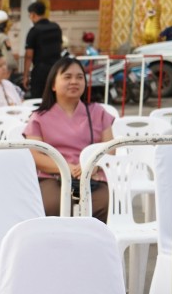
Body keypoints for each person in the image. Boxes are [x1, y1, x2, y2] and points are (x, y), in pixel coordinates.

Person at [22, 56, 114, 222]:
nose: (74, 82)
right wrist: (67, 168)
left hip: (92, 176)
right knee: (54, 204)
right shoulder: (39, 117)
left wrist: (93, 166)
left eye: (79, 77)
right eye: (67, 77)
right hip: (51, 177)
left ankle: (92, 240)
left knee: (104, 203)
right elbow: (34, 155)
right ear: (53, 85)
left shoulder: (98, 112)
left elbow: (110, 149)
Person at [23, 1, 62, 100]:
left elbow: (29, 56)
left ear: (33, 14)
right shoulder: (56, 27)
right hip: (56, 69)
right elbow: (60, 47)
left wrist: (26, 76)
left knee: (38, 99)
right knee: (55, 98)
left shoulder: (34, 31)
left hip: (41, 71)